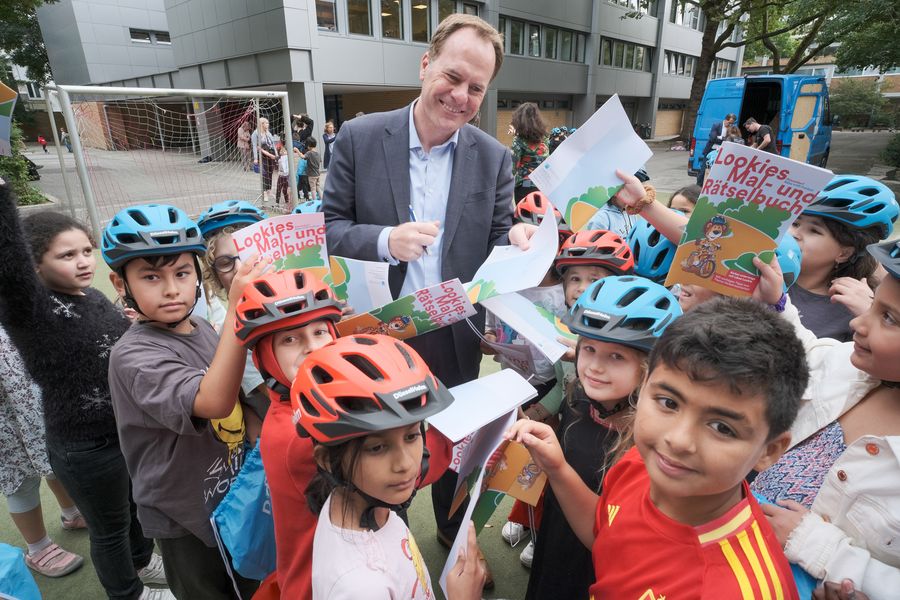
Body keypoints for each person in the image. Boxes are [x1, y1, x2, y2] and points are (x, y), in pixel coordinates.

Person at [323, 13, 538, 559]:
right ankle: (376, 542)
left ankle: (449, 531)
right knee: (375, 445)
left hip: (452, 328)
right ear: (426, 66)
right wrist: (384, 240)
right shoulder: (361, 136)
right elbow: (326, 230)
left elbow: (496, 236)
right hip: (375, 331)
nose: (460, 95)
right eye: (452, 76)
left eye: (476, 88)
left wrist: (514, 234)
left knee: (452, 439)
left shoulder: (492, 157)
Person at [509, 296, 807, 599]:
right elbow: (606, 535)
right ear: (645, 383)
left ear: (769, 450)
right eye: (668, 403)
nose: (677, 440)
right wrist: (558, 470)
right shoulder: (642, 461)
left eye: (721, 427)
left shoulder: (738, 590)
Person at [233, 268, 455, 598]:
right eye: (290, 339)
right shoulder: (301, 433)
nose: (312, 348)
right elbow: (412, 472)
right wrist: (449, 434)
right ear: (264, 357)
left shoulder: (287, 405)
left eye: (320, 332)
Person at [0, 187, 169, 600]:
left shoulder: (93, 296)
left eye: (86, 250)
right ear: (35, 264)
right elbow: (8, 269)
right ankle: (128, 593)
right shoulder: (32, 311)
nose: (82, 262)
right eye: (66, 255)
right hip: (85, 446)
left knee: (132, 509)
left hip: (123, 431)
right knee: (109, 529)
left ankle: (143, 561)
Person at [104, 204, 268, 600]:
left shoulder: (204, 330)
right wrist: (237, 310)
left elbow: (238, 400)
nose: (171, 288)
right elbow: (211, 401)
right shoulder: (133, 356)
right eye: (150, 277)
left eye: (181, 273)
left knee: (249, 583)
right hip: (182, 515)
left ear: (197, 273)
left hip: (228, 494)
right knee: (207, 592)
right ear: (119, 282)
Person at [748, 239, 900, 600]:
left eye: (889, 318)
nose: (858, 323)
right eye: (874, 306)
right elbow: (810, 354)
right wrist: (776, 302)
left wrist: (820, 547)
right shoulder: (858, 370)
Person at [523, 276, 682, 600]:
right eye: (590, 349)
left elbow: (615, 538)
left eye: (616, 357)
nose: (594, 366)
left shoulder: (652, 449)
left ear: (651, 368)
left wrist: (557, 469)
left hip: (601, 571)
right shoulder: (580, 397)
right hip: (556, 540)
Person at [293, 334, 485, 600]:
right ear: (327, 460)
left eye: (411, 436)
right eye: (377, 448)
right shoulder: (361, 588)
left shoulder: (361, 500)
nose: (405, 464)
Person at [1, 324, 85, 578]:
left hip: (31, 387)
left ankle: (71, 513)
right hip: (5, 414)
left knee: (53, 453)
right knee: (20, 476)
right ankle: (38, 547)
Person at [790, 175, 897, 341]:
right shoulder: (760, 270)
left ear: (844, 253)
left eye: (814, 231)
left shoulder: (854, 307)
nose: (794, 234)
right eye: (796, 223)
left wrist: (871, 316)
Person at [196, 200, 270, 421]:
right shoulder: (235, 337)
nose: (240, 269)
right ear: (214, 274)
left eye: (249, 256)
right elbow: (281, 396)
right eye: (226, 263)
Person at [583, 169, 656, 238]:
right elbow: (594, 248)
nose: (638, 190)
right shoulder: (601, 218)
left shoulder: (630, 212)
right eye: (631, 185)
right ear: (615, 188)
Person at [509, 102, 549, 202]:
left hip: (524, 186)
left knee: (525, 216)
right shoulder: (545, 139)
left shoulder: (518, 141)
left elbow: (512, 168)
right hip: (543, 186)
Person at [698, 113, 736, 185]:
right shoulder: (716, 125)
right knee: (703, 170)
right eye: (729, 123)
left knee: (718, 172)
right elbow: (712, 138)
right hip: (711, 150)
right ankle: (698, 186)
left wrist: (719, 137)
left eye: (732, 123)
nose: (730, 125)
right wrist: (723, 139)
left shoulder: (731, 128)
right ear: (725, 120)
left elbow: (731, 139)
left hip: (722, 151)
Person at [252, 117, 278, 204]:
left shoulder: (268, 133)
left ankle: (269, 190)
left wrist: (276, 154)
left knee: (270, 172)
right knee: (265, 174)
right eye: (266, 123)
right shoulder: (255, 134)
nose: (268, 124)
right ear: (262, 124)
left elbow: (273, 144)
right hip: (262, 155)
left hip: (270, 154)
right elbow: (255, 146)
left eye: (268, 123)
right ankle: (264, 192)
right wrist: (255, 158)